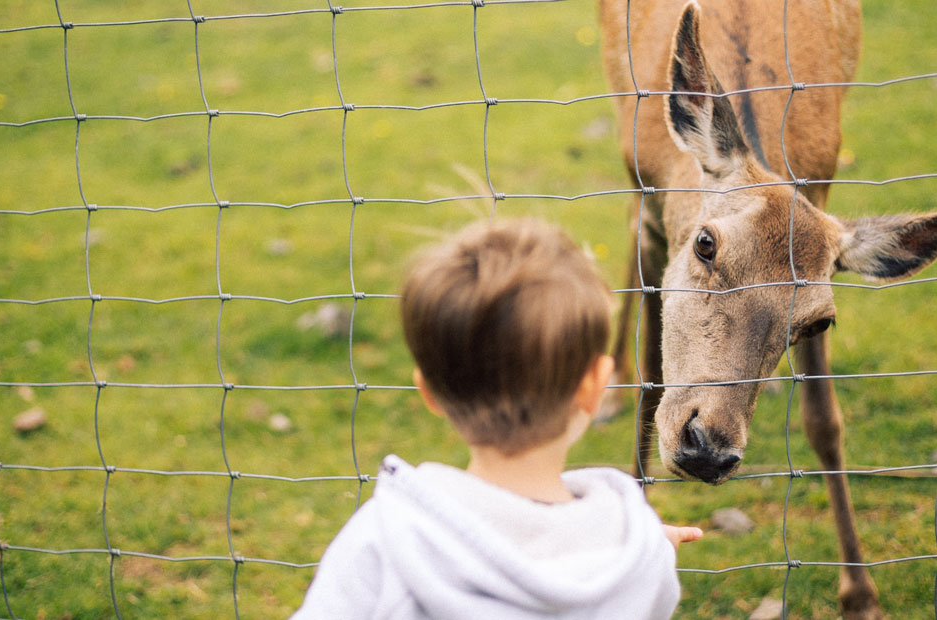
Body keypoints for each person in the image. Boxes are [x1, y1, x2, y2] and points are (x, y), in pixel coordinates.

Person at [292, 218, 701, 620]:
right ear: (595, 386)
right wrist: (644, 546)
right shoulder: (637, 562)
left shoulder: (384, 543)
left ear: (429, 392)